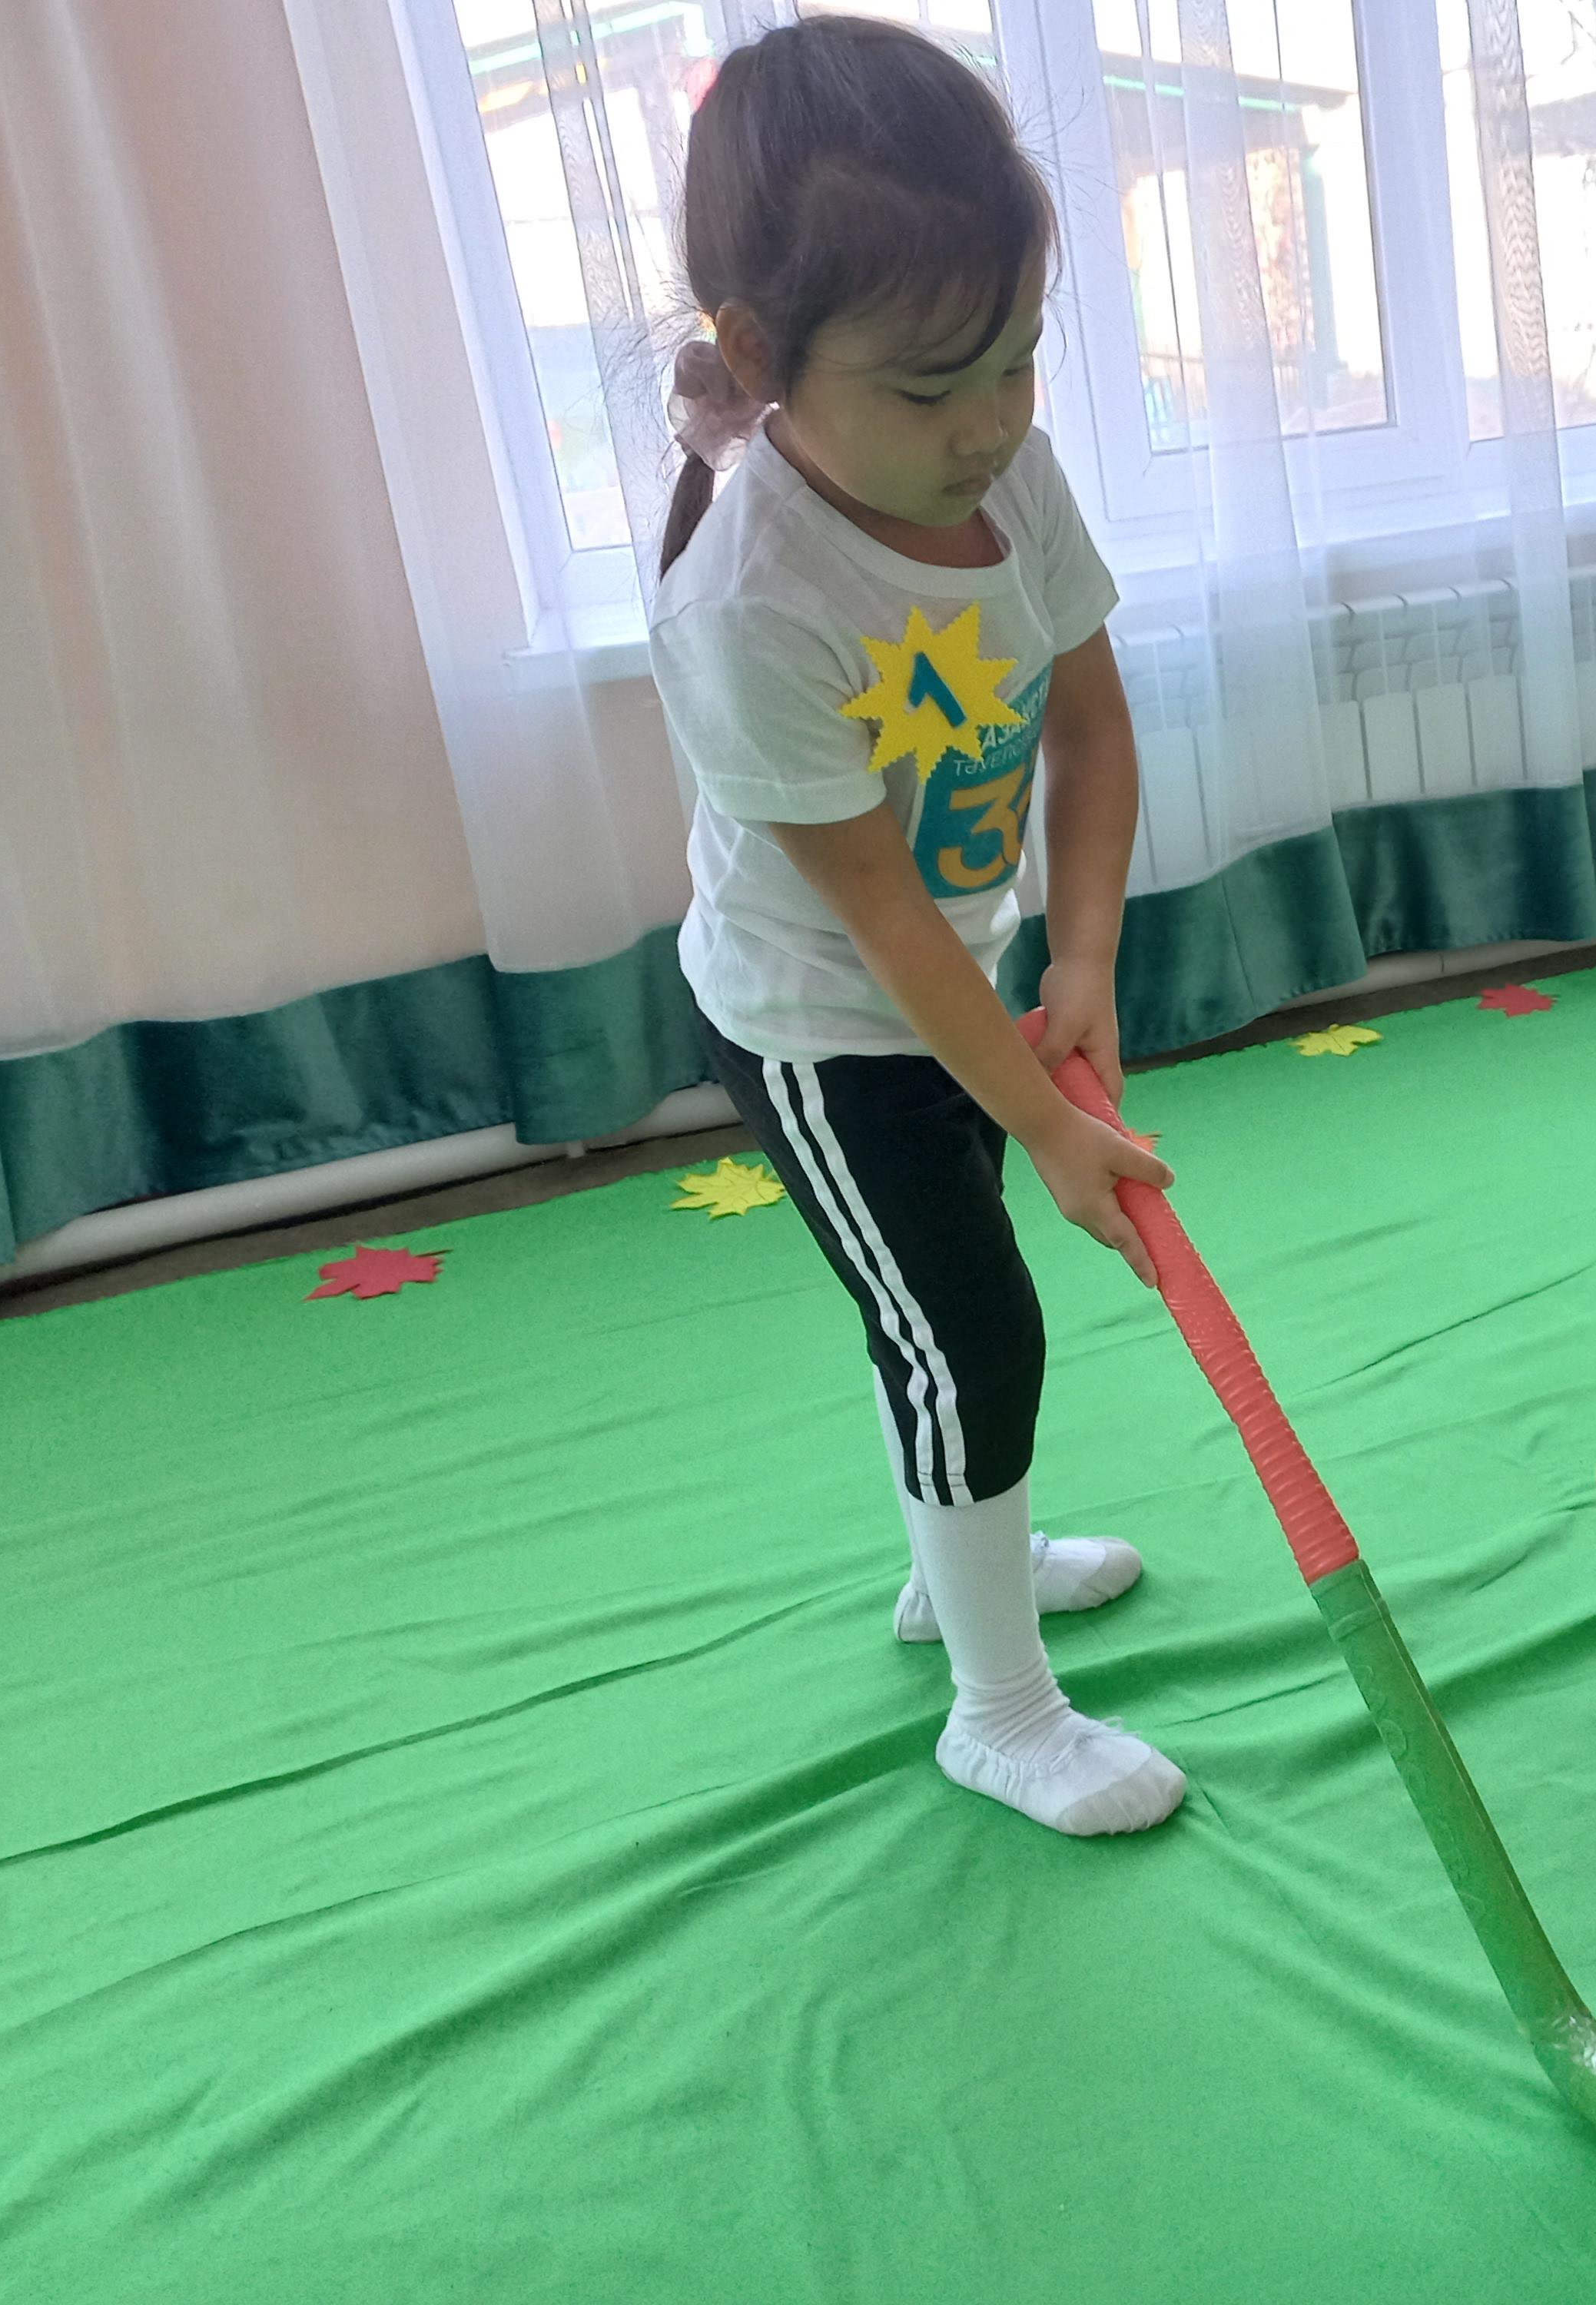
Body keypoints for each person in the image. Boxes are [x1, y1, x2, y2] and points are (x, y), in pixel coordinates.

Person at [649, 17, 1181, 1837]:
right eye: (934, 384)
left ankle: (967, 1564)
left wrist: (1082, 955)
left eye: (1018, 361)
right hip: (822, 1024)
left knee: (939, 1329)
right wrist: (1050, 1124)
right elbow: (877, 916)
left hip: (952, 983)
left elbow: (1092, 724)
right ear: (759, 358)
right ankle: (995, 1709)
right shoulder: (749, 600)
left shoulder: (997, 473)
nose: (989, 423)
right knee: (969, 1331)